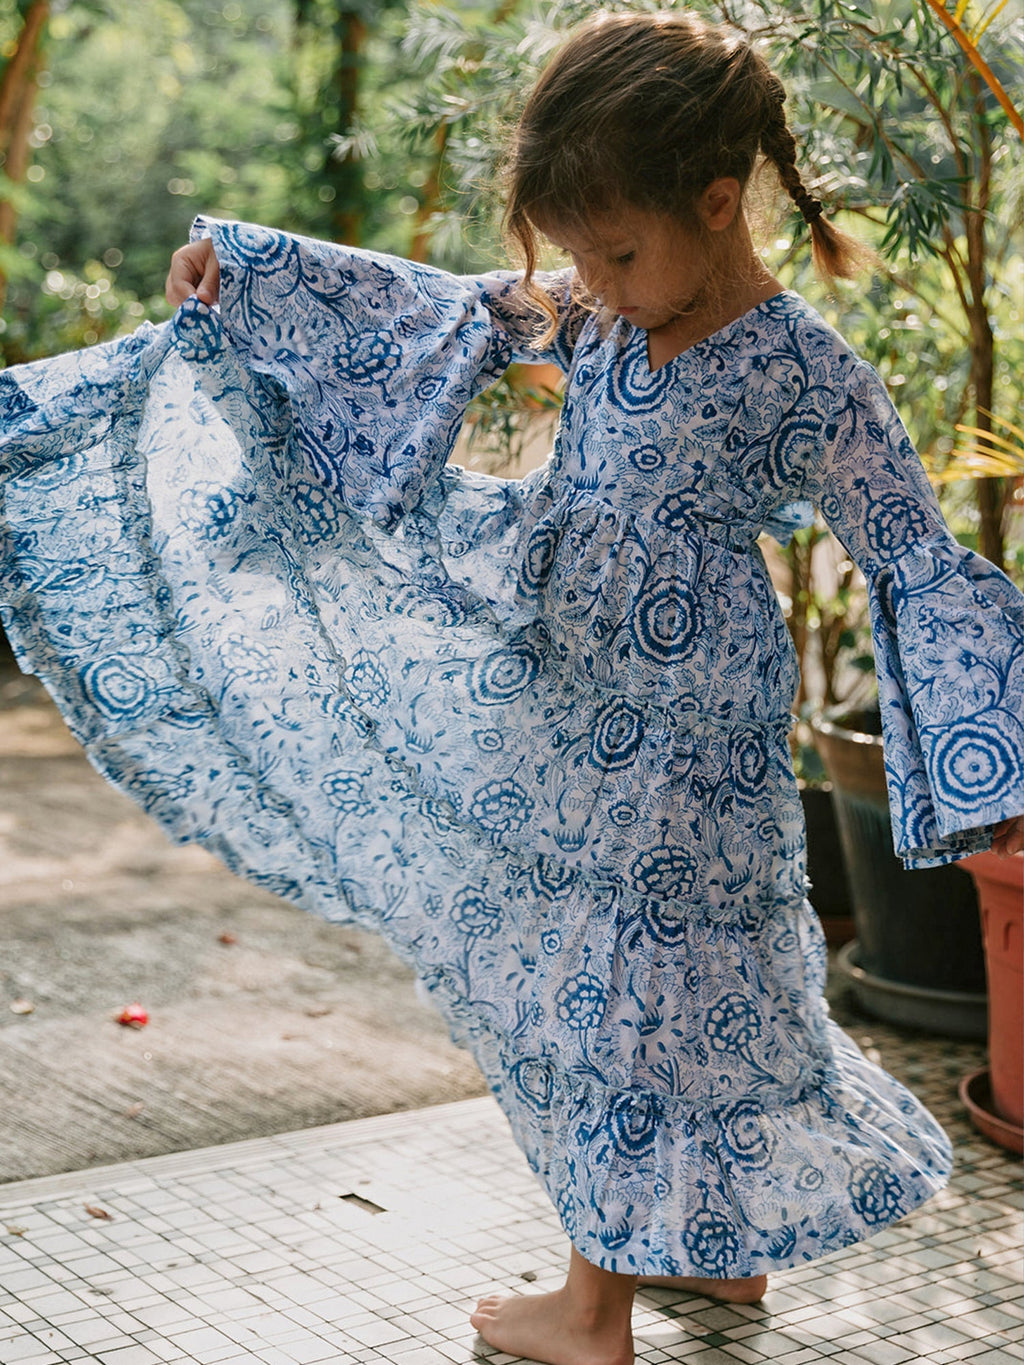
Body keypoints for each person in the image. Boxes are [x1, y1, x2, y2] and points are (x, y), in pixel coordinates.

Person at [4, 10, 1023, 1365]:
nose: (590, 280)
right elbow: (440, 314)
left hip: (682, 735)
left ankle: (593, 1310)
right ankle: (722, 1258)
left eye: (615, 248)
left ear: (719, 206)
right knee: (695, 980)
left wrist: (979, 756)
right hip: (572, 700)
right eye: (577, 253)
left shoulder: (802, 373)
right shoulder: (605, 308)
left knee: (627, 990)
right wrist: (244, 272)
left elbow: (908, 548)